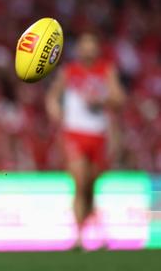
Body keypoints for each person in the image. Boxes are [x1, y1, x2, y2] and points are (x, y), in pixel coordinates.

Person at [45, 32, 125, 249]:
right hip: (75, 133)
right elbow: (52, 96)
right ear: (79, 49)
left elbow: (119, 99)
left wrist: (101, 99)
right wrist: (55, 112)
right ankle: (79, 235)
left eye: (92, 45)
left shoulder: (106, 70)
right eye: (84, 45)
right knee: (79, 182)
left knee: (90, 185)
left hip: (98, 134)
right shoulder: (69, 71)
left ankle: (91, 229)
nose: (88, 49)